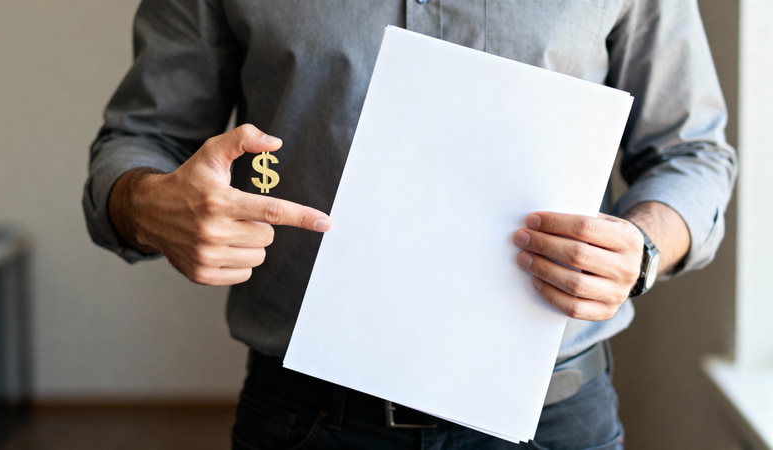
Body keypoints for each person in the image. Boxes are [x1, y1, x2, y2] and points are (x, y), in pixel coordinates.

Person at [83, 1, 736, 449]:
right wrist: (149, 203)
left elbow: (691, 152)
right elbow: (141, 138)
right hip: (305, 419)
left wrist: (644, 247)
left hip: (552, 416)